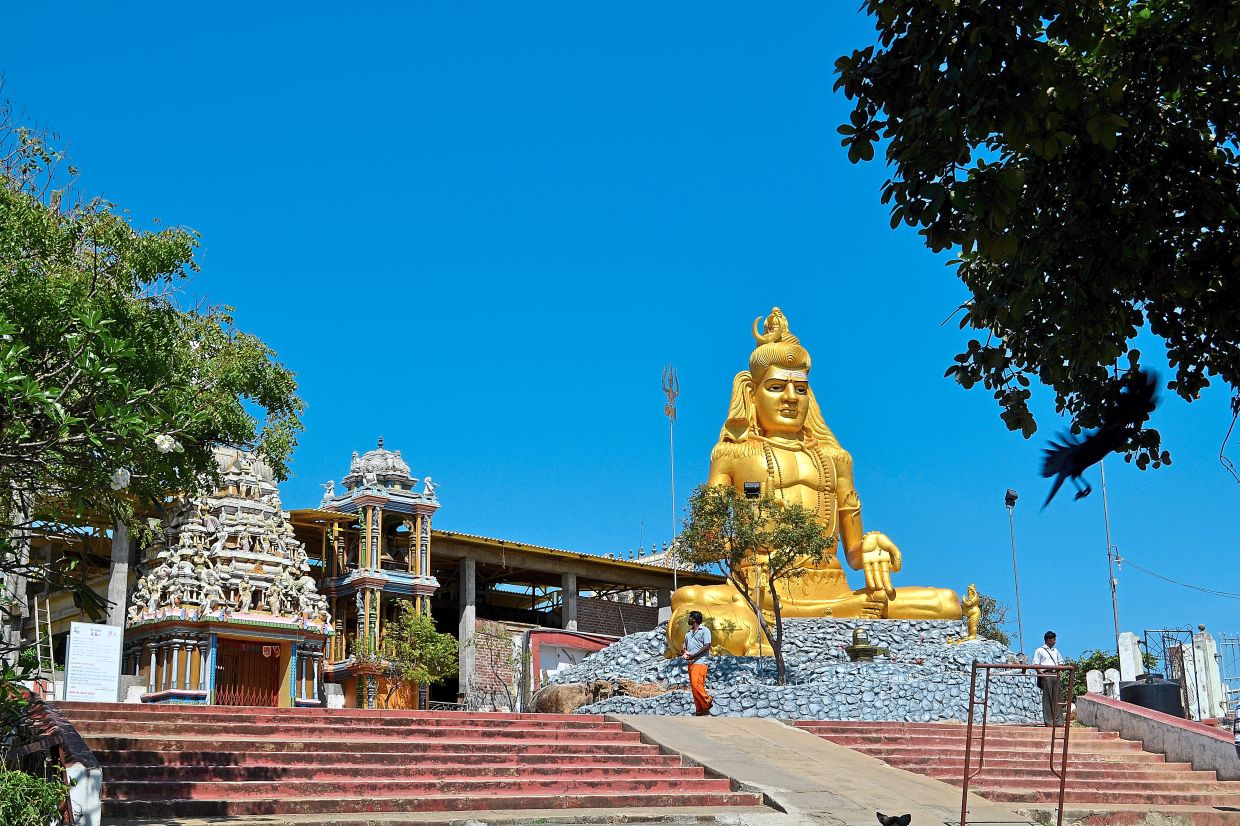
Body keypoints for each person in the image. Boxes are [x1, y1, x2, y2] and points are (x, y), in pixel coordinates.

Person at [667, 307, 961, 658]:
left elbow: (852, 555)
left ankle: (802, 620)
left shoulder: (837, 460)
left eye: (800, 388)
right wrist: (734, 538)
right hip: (759, 589)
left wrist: (870, 546)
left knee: (948, 603)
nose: (791, 398)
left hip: (831, 587)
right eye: (776, 387)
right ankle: (817, 619)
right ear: (751, 392)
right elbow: (706, 543)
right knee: (689, 608)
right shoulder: (732, 455)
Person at [681, 611, 714, 716]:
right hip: (691, 663)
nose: (688, 619)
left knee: (696, 684)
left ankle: (707, 700)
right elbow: (686, 648)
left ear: (694, 619)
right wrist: (683, 651)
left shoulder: (704, 630)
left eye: (690, 617)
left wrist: (694, 656)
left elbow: (707, 646)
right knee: (694, 688)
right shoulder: (688, 633)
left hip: (700, 662)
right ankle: (700, 709)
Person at [1033, 630, 1065, 726]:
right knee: (1047, 698)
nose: (1055, 641)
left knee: (1057, 698)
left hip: (1055, 675)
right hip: (1046, 674)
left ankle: (1058, 722)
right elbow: (1036, 664)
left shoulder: (1056, 651)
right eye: (1053, 639)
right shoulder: (1039, 650)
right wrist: (1041, 674)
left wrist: (1059, 672)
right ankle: (1049, 722)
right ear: (1048, 639)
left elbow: (1060, 662)